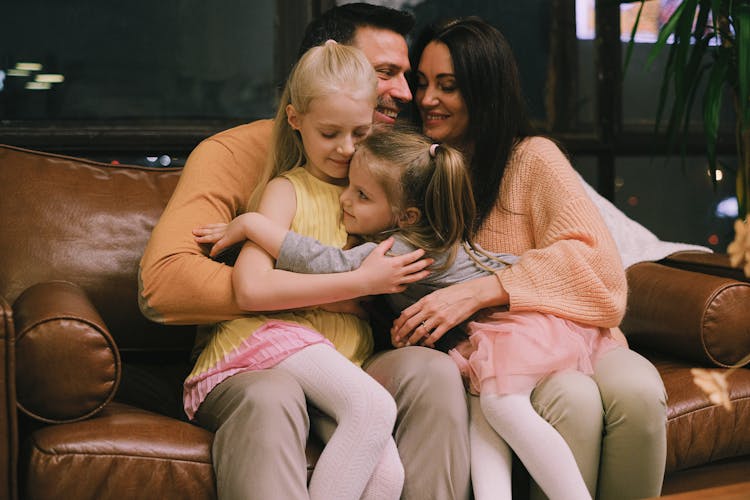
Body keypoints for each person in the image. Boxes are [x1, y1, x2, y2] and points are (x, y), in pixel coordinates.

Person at [139, 4, 472, 500]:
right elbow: (164, 285)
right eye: (385, 73)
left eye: (406, 76)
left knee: (433, 373)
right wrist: (342, 291)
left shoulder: (388, 166)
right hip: (270, 352)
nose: (404, 93)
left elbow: (439, 258)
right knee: (276, 394)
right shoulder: (250, 164)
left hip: (354, 353)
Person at [194, 126, 627, 499]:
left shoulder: (398, 250)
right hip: (493, 342)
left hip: (516, 333)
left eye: (361, 195)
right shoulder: (431, 239)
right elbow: (493, 265)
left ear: (407, 214)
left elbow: (322, 260)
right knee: (483, 423)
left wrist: (252, 225)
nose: (345, 200)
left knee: (501, 407)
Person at [396, 17, 668, 499]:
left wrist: (483, 290)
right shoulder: (414, 169)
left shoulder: (532, 159)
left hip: (581, 334)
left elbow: (601, 270)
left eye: (447, 85)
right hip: (490, 355)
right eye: (421, 83)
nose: (426, 99)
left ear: (485, 91)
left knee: (641, 395)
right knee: (575, 401)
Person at [184, 41, 430, 499]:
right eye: (329, 133)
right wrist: (362, 283)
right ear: (296, 121)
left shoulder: (377, 195)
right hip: (269, 342)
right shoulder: (286, 190)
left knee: (388, 476)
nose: (346, 148)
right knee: (373, 407)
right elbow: (251, 290)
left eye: (359, 132)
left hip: (333, 361)